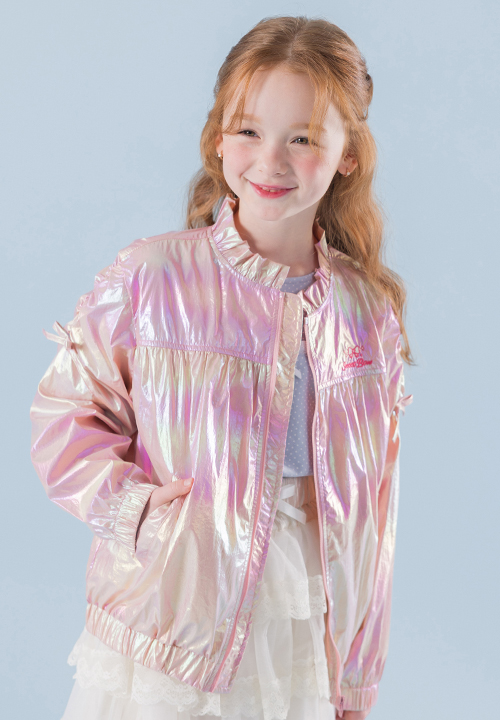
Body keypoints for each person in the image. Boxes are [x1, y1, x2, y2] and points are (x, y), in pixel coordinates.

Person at [30, 15, 414, 720]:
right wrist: (137, 513)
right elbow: (65, 419)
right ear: (217, 138)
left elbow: (376, 507)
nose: (271, 160)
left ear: (348, 155)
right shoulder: (152, 278)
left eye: (303, 138)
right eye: (248, 130)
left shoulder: (365, 312)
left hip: (302, 617)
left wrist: (357, 676)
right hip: (176, 614)